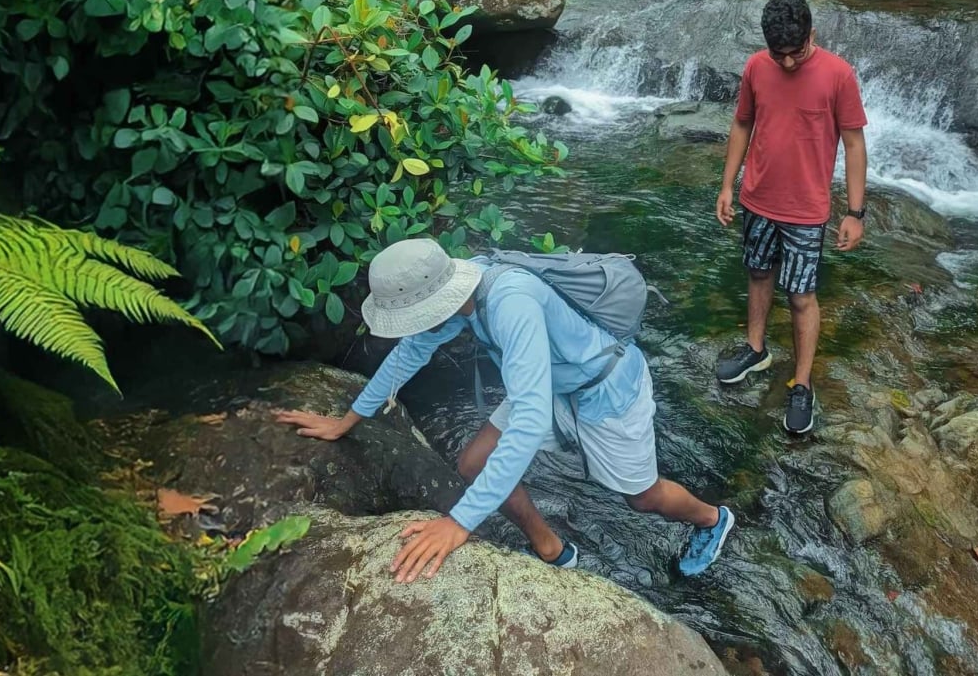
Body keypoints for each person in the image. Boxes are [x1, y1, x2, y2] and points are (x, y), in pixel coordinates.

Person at [274, 237, 735, 582]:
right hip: (551, 383)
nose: (416, 328)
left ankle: (713, 520)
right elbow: (410, 353)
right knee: (474, 462)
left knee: (642, 497)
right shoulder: (455, 293)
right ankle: (553, 550)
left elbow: (530, 420)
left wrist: (458, 523)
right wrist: (347, 420)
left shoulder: (510, 302)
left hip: (605, 388)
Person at [714, 0, 868, 434]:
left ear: (812, 35)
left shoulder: (838, 75)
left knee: (801, 295)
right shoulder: (756, 67)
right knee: (758, 272)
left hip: (806, 210)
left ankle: (802, 384)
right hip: (758, 198)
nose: (785, 63)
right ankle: (756, 349)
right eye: (777, 53)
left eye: (795, 53)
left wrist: (855, 212)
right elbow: (743, 122)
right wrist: (728, 185)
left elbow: (854, 144)